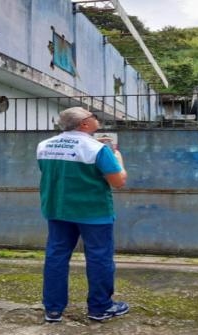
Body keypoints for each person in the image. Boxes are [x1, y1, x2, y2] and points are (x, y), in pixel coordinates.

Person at [37, 107, 129, 322]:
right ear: (84, 124)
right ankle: (100, 307)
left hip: (57, 209)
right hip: (93, 212)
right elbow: (119, 181)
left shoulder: (44, 146)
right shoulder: (97, 149)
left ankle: (53, 309)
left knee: (56, 257)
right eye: (92, 117)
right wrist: (119, 160)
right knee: (99, 258)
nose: (96, 119)